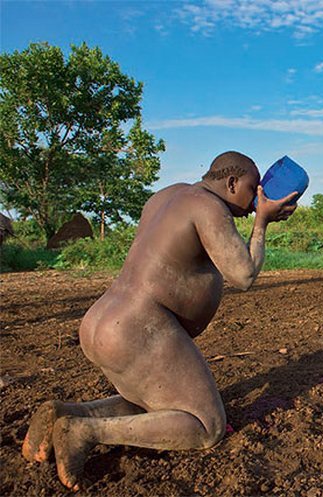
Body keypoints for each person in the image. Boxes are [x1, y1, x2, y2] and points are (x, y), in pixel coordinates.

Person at [21, 151, 298, 491]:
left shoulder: (167, 196)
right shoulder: (208, 206)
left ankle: (64, 413)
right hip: (140, 327)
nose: (257, 198)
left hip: (103, 320)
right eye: (253, 189)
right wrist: (261, 224)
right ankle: (86, 432)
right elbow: (243, 274)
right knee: (205, 426)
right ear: (231, 183)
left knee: (153, 403)